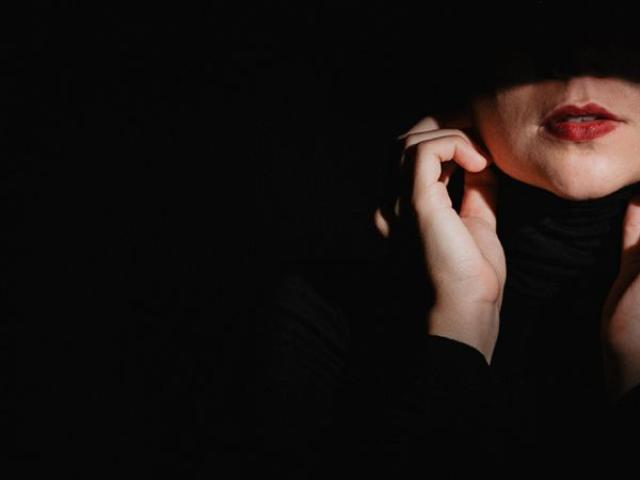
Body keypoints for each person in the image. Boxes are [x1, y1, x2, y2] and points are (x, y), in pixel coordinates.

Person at [240, 13, 640, 478]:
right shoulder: (325, 304)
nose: (578, 61)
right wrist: (459, 326)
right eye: (533, 18)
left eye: (622, 19)